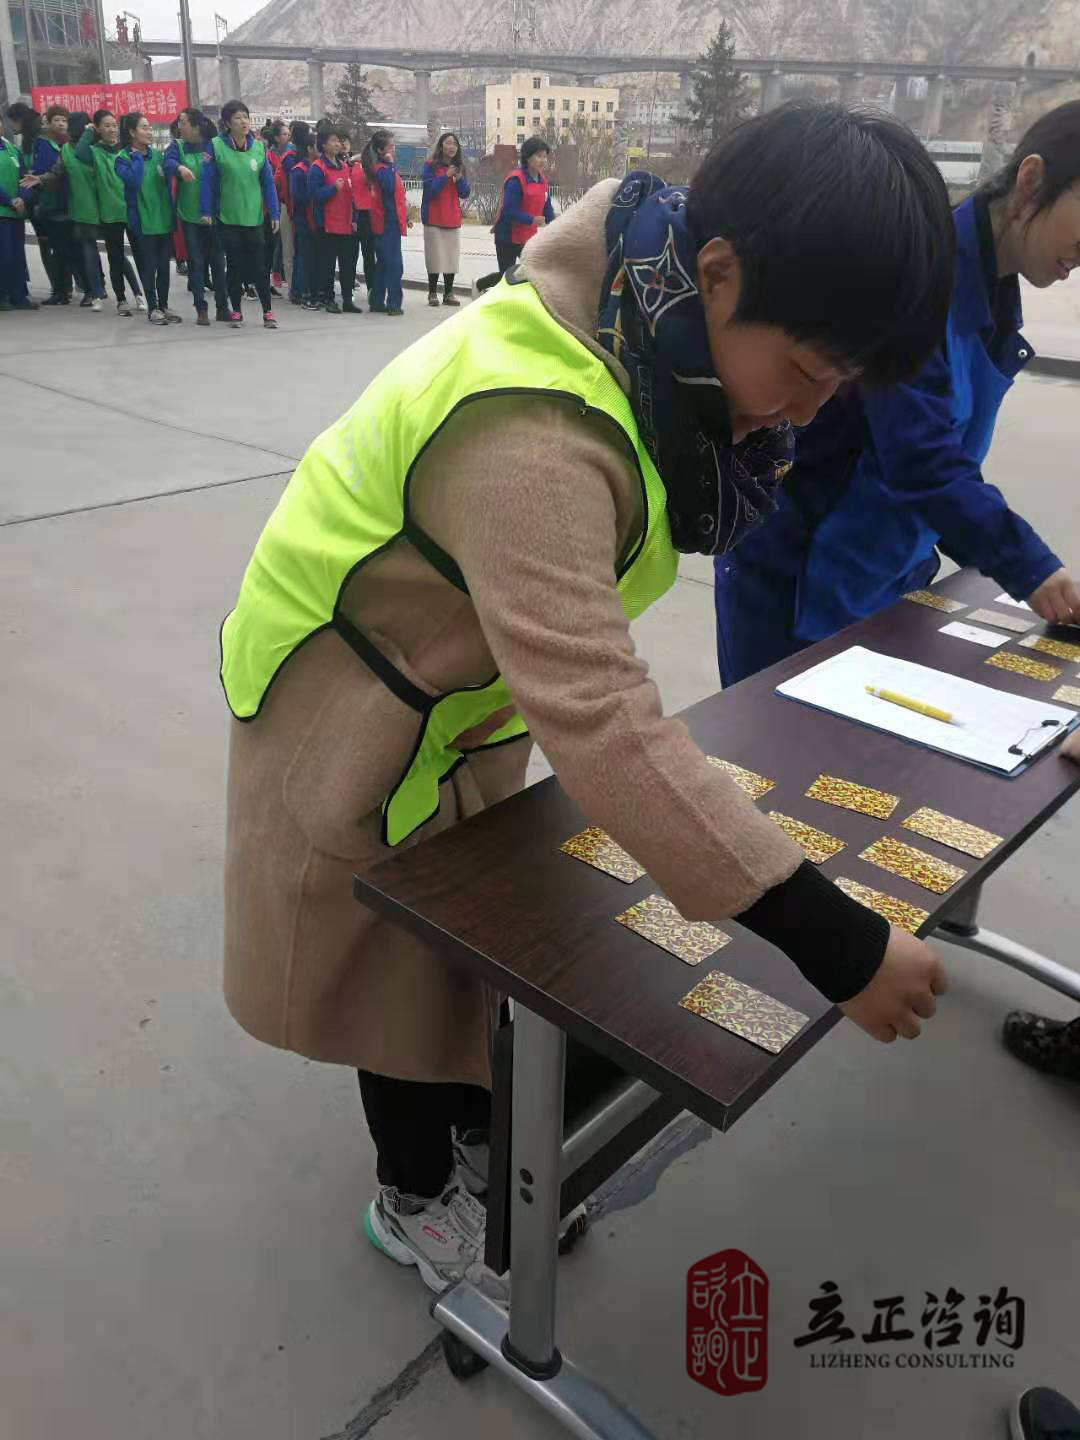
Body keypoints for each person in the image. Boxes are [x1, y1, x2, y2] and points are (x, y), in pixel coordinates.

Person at [219, 103, 958, 1295]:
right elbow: (602, 716)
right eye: (806, 373)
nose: (806, 413)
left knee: (471, 941)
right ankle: (414, 1198)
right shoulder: (532, 431)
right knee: (394, 961)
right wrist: (841, 943)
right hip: (348, 700)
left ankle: (475, 1132)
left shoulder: (635, 330)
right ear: (718, 272)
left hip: (451, 687)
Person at [713, 100, 1080, 688]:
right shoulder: (923, 274)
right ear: (1032, 179)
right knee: (778, 741)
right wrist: (1031, 567)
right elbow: (920, 459)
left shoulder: (993, 296)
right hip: (804, 577)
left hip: (888, 575)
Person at [200, 100, 280, 330]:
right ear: (227, 123)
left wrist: (274, 212)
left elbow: (268, 183)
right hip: (228, 218)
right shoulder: (216, 146)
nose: (243, 121)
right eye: (237, 117)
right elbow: (207, 181)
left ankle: (267, 312)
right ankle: (236, 310)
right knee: (234, 265)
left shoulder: (259, 148)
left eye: (245, 116)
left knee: (260, 266)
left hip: (254, 217)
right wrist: (206, 211)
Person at [73, 109, 145, 315]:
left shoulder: (126, 150)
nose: (112, 129)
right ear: (98, 129)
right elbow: (79, 153)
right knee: (115, 258)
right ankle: (121, 299)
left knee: (141, 256)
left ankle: (143, 295)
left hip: (131, 210)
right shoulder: (94, 152)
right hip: (110, 213)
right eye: (106, 125)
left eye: (114, 125)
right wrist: (88, 131)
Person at [165, 107, 229, 324]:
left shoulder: (213, 146)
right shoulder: (177, 146)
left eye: (183, 123)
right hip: (189, 216)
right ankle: (201, 308)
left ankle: (222, 307)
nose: (179, 127)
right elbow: (168, 163)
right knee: (196, 262)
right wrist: (180, 168)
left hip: (214, 214)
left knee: (218, 262)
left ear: (195, 127)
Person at [117, 112, 180, 325]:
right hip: (143, 222)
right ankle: (152, 308)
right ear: (132, 132)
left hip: (163, 219)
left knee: (164, 267)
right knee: (149, 266)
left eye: (150, 127)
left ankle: (163, 305)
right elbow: (134, 181)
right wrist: (136, 157)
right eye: (144, 127)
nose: (149, 131)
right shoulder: (123, 159)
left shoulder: (158, 156)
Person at [473, 136, 554, 296]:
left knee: (531, 272)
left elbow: (547, 206)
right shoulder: (516, 180)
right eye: (539, 156)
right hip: (507, 235)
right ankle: (479, 284)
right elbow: (509, 210)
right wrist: (532, 220)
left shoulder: (542, 180)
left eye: (545, 156)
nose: (543, 160)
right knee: (506, 276)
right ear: (527, 157)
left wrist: (555, 224)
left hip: (528, 236)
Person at [308, 123, 359, 315]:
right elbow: (314, 195)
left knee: (348, 265)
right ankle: (328, 299)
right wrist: (332, 189)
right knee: (328, 265)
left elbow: (351, 196)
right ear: (323, 144)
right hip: (327, 224)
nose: (338, 144)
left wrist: (354, 217)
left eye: (339, 141)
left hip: (345, 223)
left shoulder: (344, 166)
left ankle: (347, 300)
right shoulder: (318, 167)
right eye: (334, 141)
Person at [361, 128, 409, 316]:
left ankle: (377, 300)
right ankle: (394, 303)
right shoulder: (382, 170)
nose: (393, 149)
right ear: (381, 151)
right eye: (390, 146)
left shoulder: (385, 169)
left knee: (382, 264)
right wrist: (390, 165)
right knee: (394, 265)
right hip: (386, 223)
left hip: (390, 221)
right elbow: (389, 188)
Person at [32, 105, 76, 305]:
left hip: (70, 203)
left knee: (66, 249)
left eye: (64, 120)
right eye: (56, 120)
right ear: (48, 123)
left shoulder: (70, 143)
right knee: (57, 250)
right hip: (52, 203)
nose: (61, 124)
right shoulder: (43, 143)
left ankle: (66, 289)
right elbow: (41, 172)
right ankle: (60, 291)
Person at [63, 112, 106, 311]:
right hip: (92, 207)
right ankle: (97, 290)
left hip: (88, 208)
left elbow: (59, 173)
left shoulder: (88, 150)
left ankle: (95, 291)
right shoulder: (94, 148)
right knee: (95, 251)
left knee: (89, 251)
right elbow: (58, 172)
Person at [421, 131, 469, 307]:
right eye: (448, 143)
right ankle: (432, 292)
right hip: (434, 217)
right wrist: (446, 176)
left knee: (451, 258)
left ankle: (448, 293)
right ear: (441, 146)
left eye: (455, 144)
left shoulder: (459, 167)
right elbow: (430, 191)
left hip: (452, 218)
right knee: (434, 257)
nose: (452, 147)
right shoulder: (430, 165)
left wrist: (459, 179)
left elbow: (465, 193)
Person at [0, 127, 37, 310]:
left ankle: (19, 296)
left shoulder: (11, 149)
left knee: (17, 256)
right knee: (4, 256)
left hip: (16, 212)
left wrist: (22, 197)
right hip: (3, 211)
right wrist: (9, 200)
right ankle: (2, 297)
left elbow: (25, 178)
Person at [288, 130, 318, 309]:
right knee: (302, 256)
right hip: (303, 219)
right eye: (317, 146)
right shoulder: (299, 170)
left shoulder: (317, 167)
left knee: (312, 257)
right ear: (309, 148)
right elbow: (297, 197)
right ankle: (298, 291)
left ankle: (309, 289)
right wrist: (315, 192)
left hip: (315, 219)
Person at [265, 119, 293, 291]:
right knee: (277, 240)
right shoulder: (270, 156)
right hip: (274, 200)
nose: (287, 137)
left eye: (288, 134)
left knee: (284, 240)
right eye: (284, 134)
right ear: (276, 138)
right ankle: (275, 271)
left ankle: (278, 270)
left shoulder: (292, 152)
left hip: (285, 199)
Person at [349, 140, 375, 298]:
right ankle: (349, 286)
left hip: (369, 214)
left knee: (369, 255)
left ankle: (372, 288)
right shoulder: (354, 166)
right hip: (355, 214)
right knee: (352, 255)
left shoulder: (378, 168)